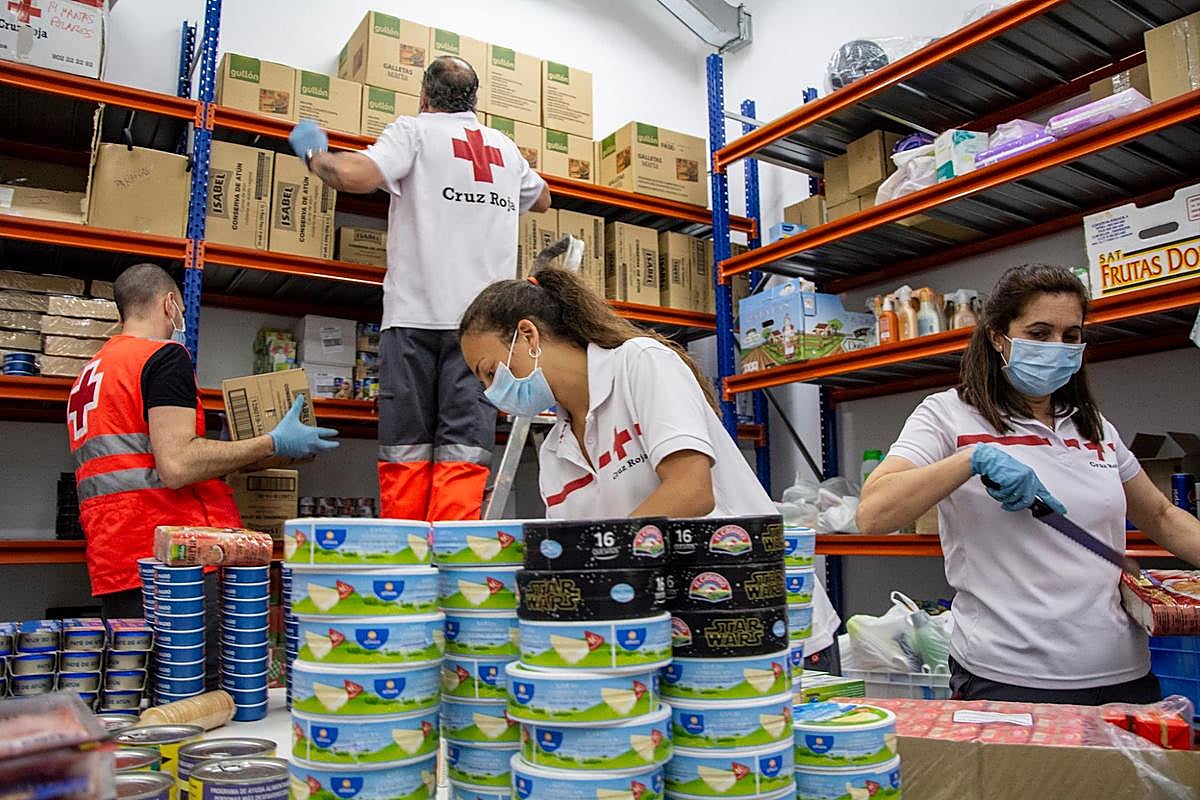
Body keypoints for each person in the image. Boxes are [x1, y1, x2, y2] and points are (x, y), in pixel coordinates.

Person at [458, 267, 842, 665]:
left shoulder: (640, 364)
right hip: (682, 636)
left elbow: (691, 491)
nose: (493, 392)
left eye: (491, 372)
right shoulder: (555, 450)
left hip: (768, 626)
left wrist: (593, 565)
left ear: (528, 335)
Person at [856, 263, 1200, 704]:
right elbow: (873, 514)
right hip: (1007, 681)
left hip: (1124, 676)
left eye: (1071, 336)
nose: (1057, 347)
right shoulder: (947, 414)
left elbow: (1162, 515)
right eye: (1039, 333)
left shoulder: (1094, 428)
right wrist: (970, 459)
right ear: (999, 336)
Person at [288, 55, 551, 522]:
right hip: (483, 329)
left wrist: (316, 156)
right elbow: (544, 198)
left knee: (406, 449)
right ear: (474, 100)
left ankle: (407, 564)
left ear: (424, 97)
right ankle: (449, 565)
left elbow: (358, 177)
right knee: (464, 450)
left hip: (413, 323)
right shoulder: (504, 149)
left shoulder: (413, 132)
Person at [67, 264, 339, 619]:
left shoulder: (92, 373)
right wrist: (272, 442)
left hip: (118, 560)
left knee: (145, 673)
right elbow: (177, 466)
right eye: (180, 307)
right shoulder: (162, 357)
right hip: (178, 558)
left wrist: (224, 452)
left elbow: (135, 459)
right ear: (169, 304)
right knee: (200, 674)